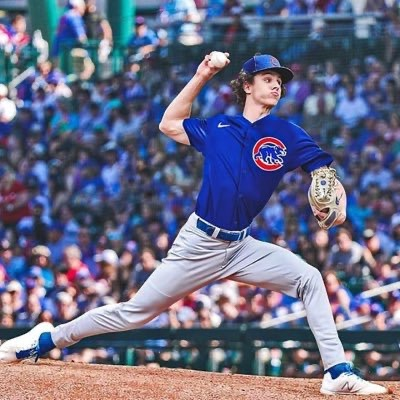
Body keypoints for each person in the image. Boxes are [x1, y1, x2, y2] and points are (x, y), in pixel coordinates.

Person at [0, 53, 387, 396]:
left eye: (280, 81)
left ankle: (337, 372)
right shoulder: (218, 128)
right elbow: (169, 123)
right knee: (135, 313)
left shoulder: (287, 134)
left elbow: (323, 171)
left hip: (241, 246)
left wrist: (332, 192)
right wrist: (203, 74)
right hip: (199, 243)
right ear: (247, 86)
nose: (276, 85)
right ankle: (46, 339)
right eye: (268, 78)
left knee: (310, 278)